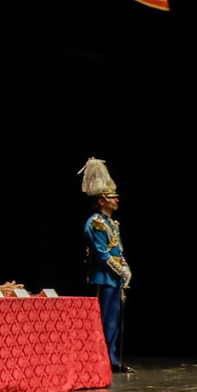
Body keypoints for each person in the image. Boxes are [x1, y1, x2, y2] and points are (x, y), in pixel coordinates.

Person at [81, 157, 132, 372]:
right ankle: (98, 360)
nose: (116, 200)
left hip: (114, 278)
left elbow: (118, 249)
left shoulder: (112, 223)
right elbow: (101, 253)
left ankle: (111, 359)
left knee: (112, 320)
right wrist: (120, 269)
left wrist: (125, 268)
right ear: (102, 200)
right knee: (101, 320)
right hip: (103, 277)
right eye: (112, 197)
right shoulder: (96, 223)